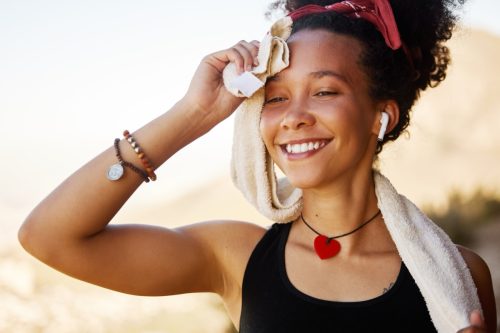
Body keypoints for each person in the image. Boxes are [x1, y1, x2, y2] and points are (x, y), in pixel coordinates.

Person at [19, 0, 496, 332]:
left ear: (381, 116)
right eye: (276, 98)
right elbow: (49, 237)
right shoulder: (236, 256)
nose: (294, 117)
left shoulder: (461, 274)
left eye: (325, 91)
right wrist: (194, 114)